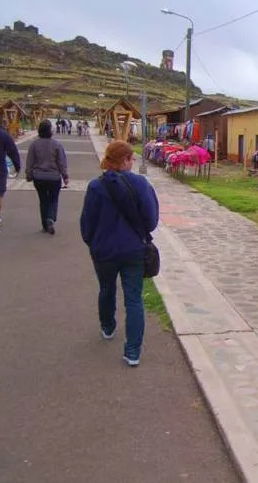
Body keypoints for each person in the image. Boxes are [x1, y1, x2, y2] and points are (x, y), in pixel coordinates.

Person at [80, 141, 159, 367]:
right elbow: (151, 220)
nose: (132, 163)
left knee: (106, 289)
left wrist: (92, 243)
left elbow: (87, 222)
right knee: (134, 299)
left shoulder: (96, 187)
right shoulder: (141, 184)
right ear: (123, 160)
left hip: (104, 250)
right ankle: (133, 351)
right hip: (133, 250)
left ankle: (108, 326)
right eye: (131, 159)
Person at [25, 120, 69, 234]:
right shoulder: (57, 145)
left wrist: (29, 174)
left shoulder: (34, 144)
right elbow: (61, 162)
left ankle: (44, 224)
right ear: (50, 131)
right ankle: (50, 218)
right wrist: (65, 176)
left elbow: (30, 161)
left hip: (39, 177)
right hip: (54, 177)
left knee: (43, 200)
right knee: (53, 199)